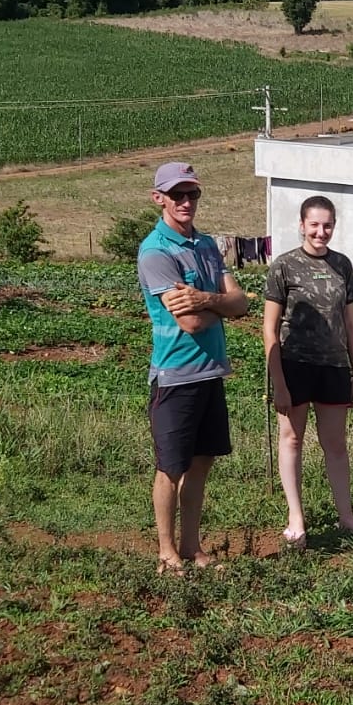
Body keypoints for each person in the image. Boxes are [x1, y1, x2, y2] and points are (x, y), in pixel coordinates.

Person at [137, 161, 248, 574]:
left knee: (201, 462)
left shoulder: (205, 245)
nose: (186, 202)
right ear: (159, 198)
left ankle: (191, 545)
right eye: (177, 194)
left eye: (192, 194)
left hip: (210, 371)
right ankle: (166, 551)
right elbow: (192, 322)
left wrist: (204, 298)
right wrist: (220, 303)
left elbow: (241, 304)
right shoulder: (155, 252)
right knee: (170, 467)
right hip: (175, 375)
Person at [263, 195, 353, 550]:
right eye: (314, 224)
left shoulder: (343, 265)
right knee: (291, 439)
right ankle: (296, 518)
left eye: (327, 225)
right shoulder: (283, 266)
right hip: (294, 365)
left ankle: (346, 515)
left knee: (336, 444)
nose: (320, 231)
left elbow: (350, 323)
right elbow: (269, 329)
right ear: (301, 225)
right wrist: (278, 382)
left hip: (334, 366)